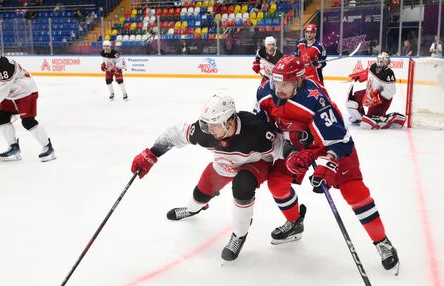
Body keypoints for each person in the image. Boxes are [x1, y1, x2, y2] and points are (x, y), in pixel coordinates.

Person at [254, 55, 399, 273]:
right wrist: (288, 151)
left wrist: (326, 164)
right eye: (276, 82)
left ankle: (382, 242)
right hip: (299, 148)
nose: (279, 89)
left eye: (285, 84)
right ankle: (295, 223)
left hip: (332, 144)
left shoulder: (314, 98)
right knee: (277, 183)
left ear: (299, 80)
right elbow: (262, 126)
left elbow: (337, 138)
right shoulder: (265, 92)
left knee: (354, 191)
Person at [130, 94, 301, 261]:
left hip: (256, 163)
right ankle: (193, 208)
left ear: (230, 121)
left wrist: (293, 157)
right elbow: (175, 134)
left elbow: (280, 146)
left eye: (214, 125)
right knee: (200, 193)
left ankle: (239, 235)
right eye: (206, 125)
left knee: (242, 186)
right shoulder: (205, 131)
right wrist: (151, 154)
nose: (208, 130)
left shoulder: (256, 130)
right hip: (225, 163)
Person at [0, 40, 56, 162]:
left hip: (25, 92)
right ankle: (14, 147)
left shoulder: (4, 65)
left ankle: (48, 148)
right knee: (1, 117)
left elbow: (3, 90)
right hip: (12, 94)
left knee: (27, 121)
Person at [347, 52, 406, 129]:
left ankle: (392, 118)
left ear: (386, 62)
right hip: (369, 93)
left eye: (381, 61)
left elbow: (392, 91)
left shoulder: (389, 73)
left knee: (368, 122)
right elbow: (369, 74)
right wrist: (361, 76)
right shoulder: (373, 66)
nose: (379, 63)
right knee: (354, 98)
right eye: (378, 61)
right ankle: (358, 117)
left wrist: (378, 96)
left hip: (381, 100)